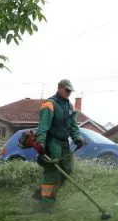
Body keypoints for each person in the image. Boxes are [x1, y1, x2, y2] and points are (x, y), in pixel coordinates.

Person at [32, 79, 86, 210]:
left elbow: (73, 125)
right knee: (52, 172)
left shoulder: (69, 106)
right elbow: (43, 126)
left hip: (64, 143)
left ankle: (42, 193)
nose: (68, 93)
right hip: (52, 142)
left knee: (67, 170)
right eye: (67, 90)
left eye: (70, 91)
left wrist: (77, 137)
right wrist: (41, 141)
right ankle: (46, 205)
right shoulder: (49, 104)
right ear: (59, 88)